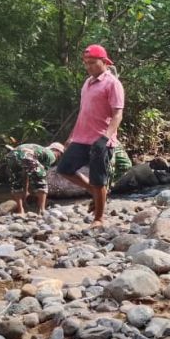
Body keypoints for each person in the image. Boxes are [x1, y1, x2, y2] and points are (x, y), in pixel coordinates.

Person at [56, 44, 125, 227]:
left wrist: (106, 137)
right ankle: (95, 192)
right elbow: (84, 112)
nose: (88, 67)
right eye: (86, 63)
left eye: (92, 63)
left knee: (99, 179)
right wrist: (71, 135)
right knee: (64, 168)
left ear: (104, 61)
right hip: (81, 137)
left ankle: (99, 218)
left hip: (101, 139)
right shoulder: (87, 83)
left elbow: (117, 114)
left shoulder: (113, 84)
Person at [5, 142, 65, 214]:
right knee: (41, 182)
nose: (59, 157)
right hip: (26, 155)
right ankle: (42, 210)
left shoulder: (38, 149)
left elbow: (27, 172)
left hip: (11, 155)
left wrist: (26, 191)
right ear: (56, 150)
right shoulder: (51, 154)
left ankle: (21, 211)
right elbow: (40, 174)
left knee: (16, 184)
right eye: (60, 155)